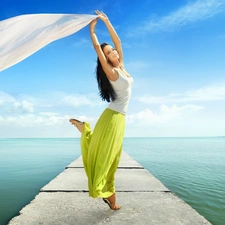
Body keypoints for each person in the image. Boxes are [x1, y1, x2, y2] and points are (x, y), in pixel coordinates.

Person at [69, 10, 133, 210]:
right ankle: (111, 200)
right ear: (105, 59)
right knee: (108, 156)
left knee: (113, 156)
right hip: (112, 117)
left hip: (119, 119)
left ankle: (85, 130)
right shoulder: (112, 71)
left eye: (112, 50)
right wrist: (92, 30)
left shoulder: (121, 65)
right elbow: (97, 48)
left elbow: (119, 42)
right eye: (108, 53)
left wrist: (107, 21)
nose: (113, 52)